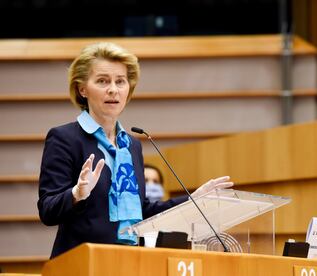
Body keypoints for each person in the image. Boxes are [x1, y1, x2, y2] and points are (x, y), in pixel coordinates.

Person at [37, 42, 233, 259]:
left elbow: (143, 211)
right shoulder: (65, 138)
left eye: (120, 81)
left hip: (129, 261)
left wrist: (191, 200)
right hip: (82, 262)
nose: (113, 89)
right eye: (102, 81)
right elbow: (47, 210)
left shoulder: (130, 145)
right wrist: (77, 194)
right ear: (82, 89)